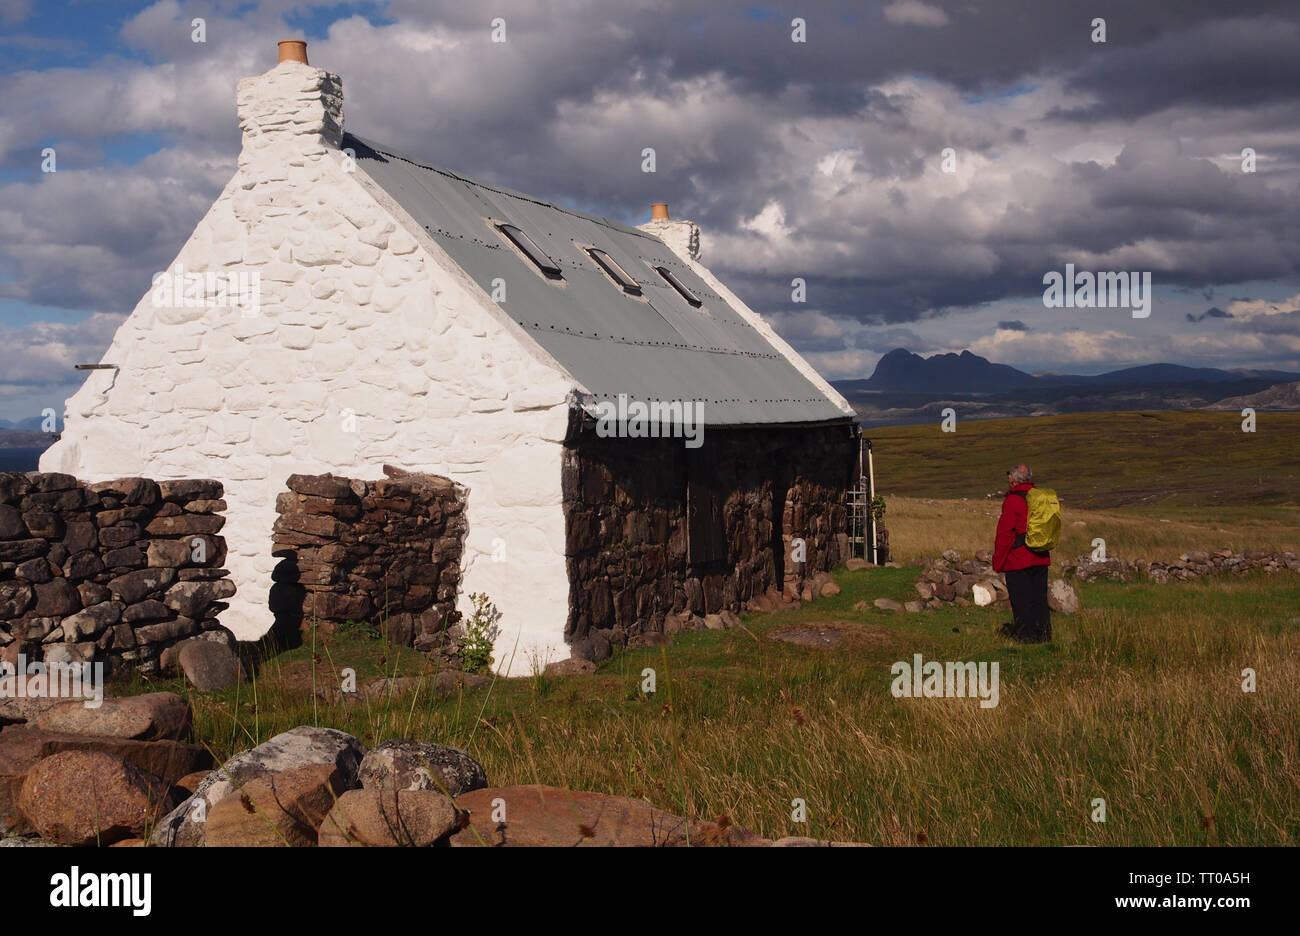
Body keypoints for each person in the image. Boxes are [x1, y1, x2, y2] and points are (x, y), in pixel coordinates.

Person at [992, 464, 1051, 642]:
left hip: (1019, 559)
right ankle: (1044, 636)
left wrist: (998, 561)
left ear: (1013, 480)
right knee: (1039, 599)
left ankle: (1026, 638)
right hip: (1041, 556)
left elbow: (1005, 534)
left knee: (1021, 600)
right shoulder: (1040, 497)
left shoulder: (1013, 500)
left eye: (1009, 477)